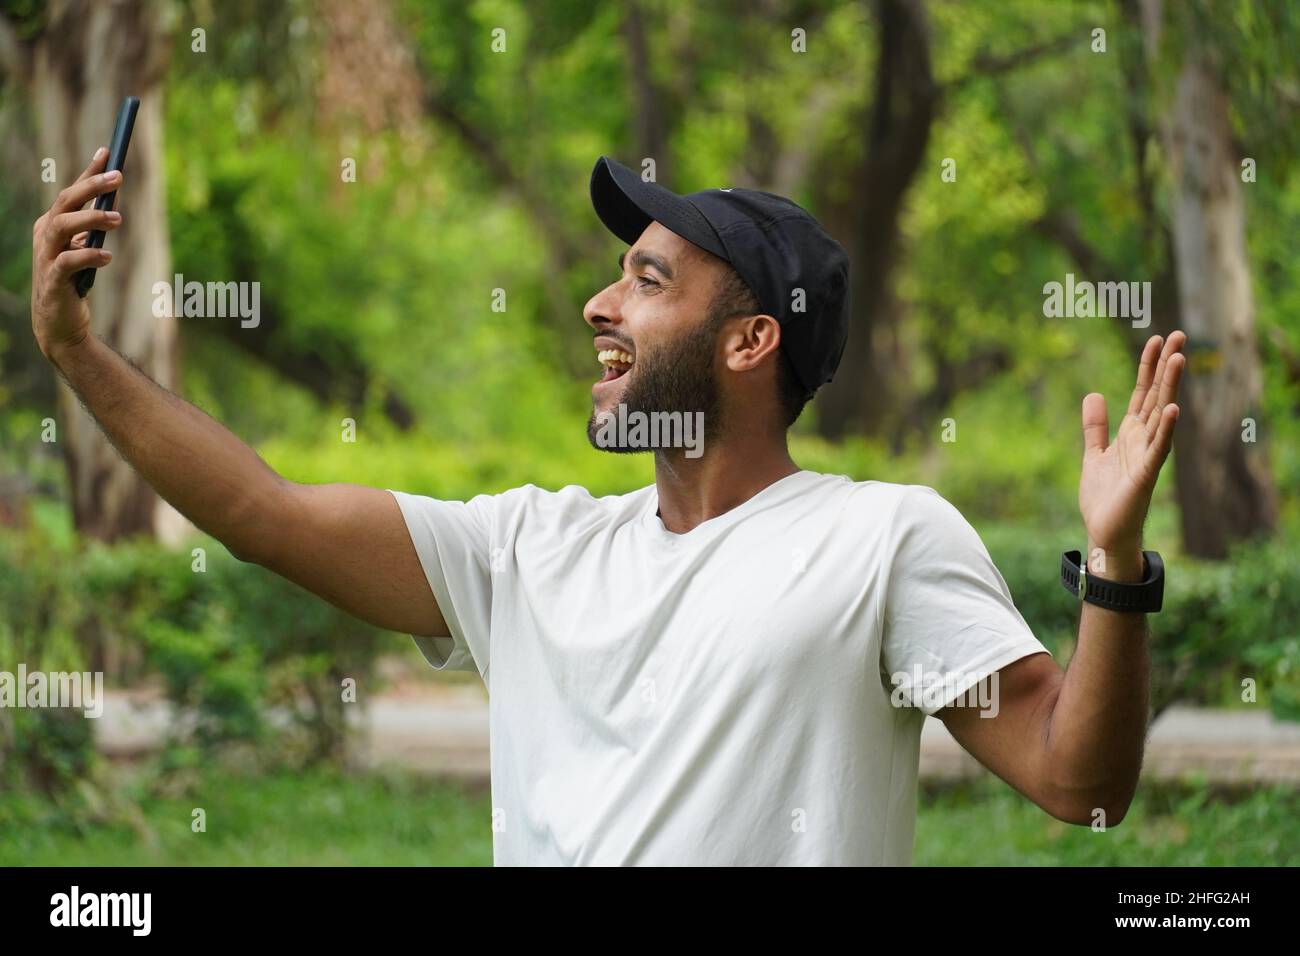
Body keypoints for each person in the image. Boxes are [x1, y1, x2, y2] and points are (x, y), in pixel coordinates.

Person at [30, 149, 1185, 865]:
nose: (597, 303)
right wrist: (77, 354)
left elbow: (1079, 784)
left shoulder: (878, 537)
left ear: (747, 340)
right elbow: (262, 510)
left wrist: (1115, 559)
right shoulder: (527, 545)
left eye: (645, 279)